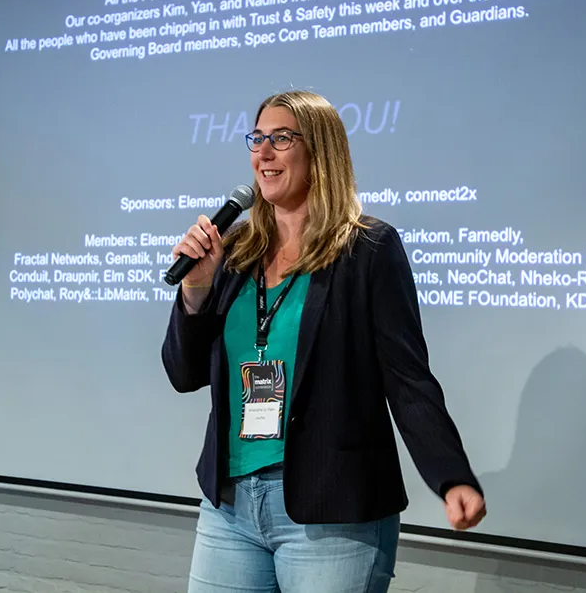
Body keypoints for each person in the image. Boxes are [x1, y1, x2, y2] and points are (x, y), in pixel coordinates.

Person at [161, 90, 485, 592]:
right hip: (230, 507)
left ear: (320, 151)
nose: (263, 152)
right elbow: (183, 375)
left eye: (281, 138)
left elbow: (407, 378)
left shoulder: (368, 249)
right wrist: (195, 289)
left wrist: (451, 475)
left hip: (334, 510)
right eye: (257, 139)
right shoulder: (236, 251)